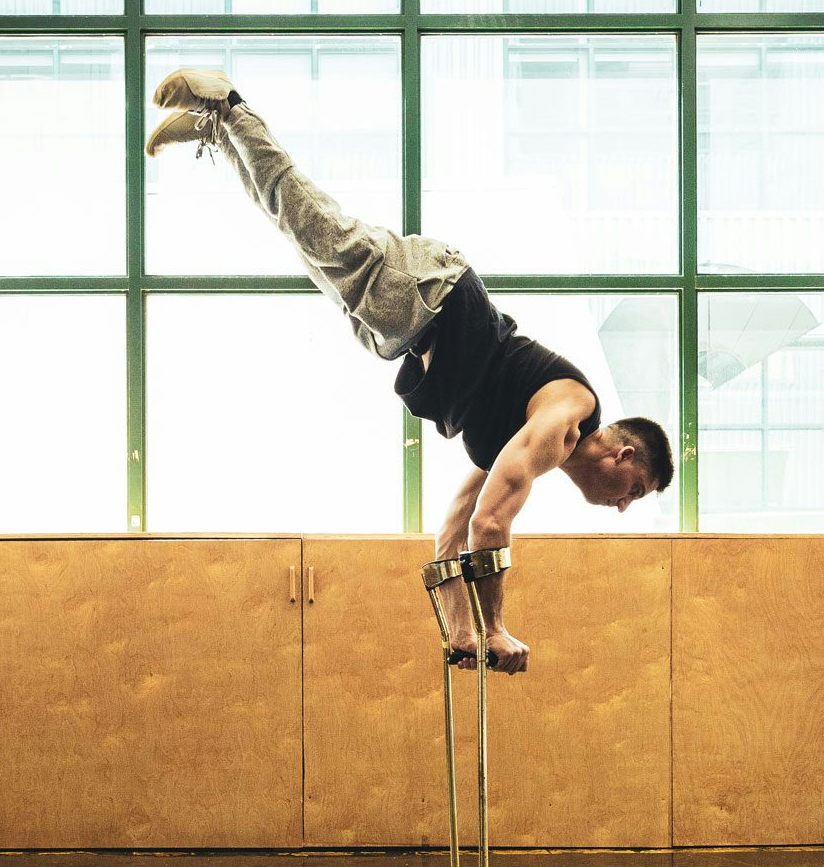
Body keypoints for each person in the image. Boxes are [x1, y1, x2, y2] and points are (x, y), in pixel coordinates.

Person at [147, 69, 673, 674]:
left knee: (296, 230)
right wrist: (496, 628)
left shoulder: (527, 439)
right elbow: (490, 522)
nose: (624, 506)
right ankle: (230, 104)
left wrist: (461, 633)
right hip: (426, 294)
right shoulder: (565, 416)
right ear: (623, 457)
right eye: (633, 492)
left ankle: (217, 124)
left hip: (404, 324)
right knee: (306, 219)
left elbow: (452, 531)